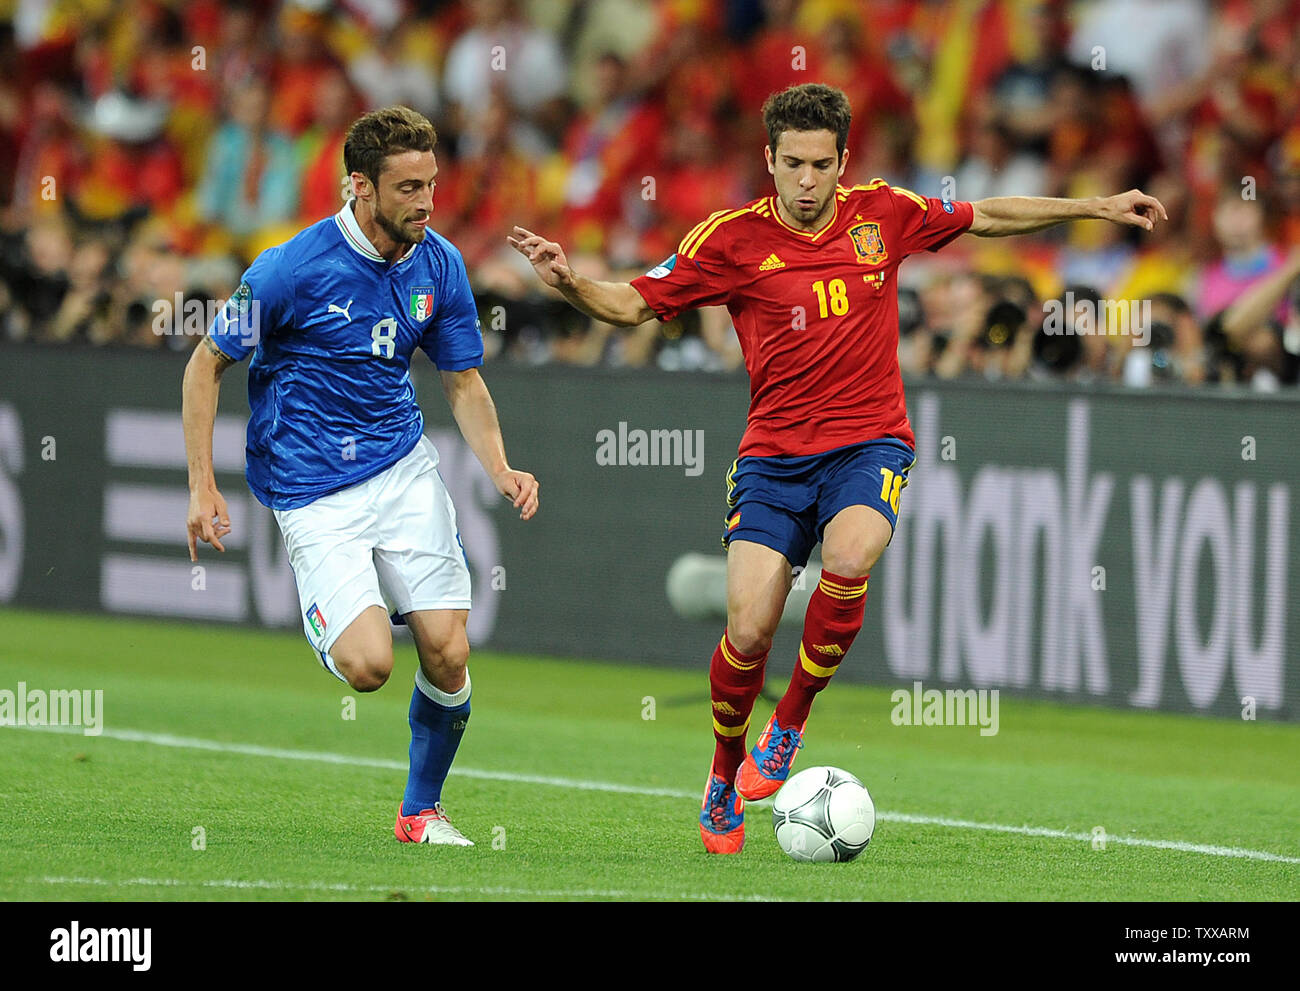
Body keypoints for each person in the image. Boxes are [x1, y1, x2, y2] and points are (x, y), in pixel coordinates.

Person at [509, 82, 1165, 854]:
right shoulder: (729, 240)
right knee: (748, 629)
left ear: (844, 160)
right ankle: (723, 773)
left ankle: (788, 724)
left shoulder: (882, 212)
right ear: (770, 159)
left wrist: (1094, 207)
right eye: (794, 164)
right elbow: (632, 305)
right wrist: (570, 281)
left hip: (869, 442)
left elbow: (986, 215)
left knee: (849, 558)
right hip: (774, 458)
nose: (809, 181)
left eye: (823, 164)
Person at [183, 106, 539, 846]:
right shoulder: (290, 268)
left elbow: (463, 381)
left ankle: (421, 811)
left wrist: (499, 466)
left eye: (432, 184)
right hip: (311, 485)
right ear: (359, 186)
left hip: (402, 466)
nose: (426, 201)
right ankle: (327, 617)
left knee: (449, 649)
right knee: (371, 664)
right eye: (407, 187)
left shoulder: (437, 263)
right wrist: (200, 483)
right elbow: (205, 363)